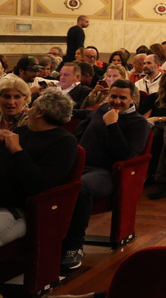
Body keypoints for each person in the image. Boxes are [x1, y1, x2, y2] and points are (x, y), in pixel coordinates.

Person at [62, 80, 151, 270]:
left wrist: (112, 126)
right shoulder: (103, 108)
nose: (117, 101)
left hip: (106, 173)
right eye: (113, 96)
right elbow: (84, 118)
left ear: (132, 98)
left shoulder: (139, 123)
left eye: (122, 98)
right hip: (79, 165)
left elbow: (126, 155)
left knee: (82, 189)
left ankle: (74, 246)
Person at [0, 88, 78, 246]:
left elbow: (38, 185)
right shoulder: (22, 131)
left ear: (40, 113)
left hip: (22, 210)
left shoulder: (64, 142)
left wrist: (17, 151)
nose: (28, 110)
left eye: (32, 107)